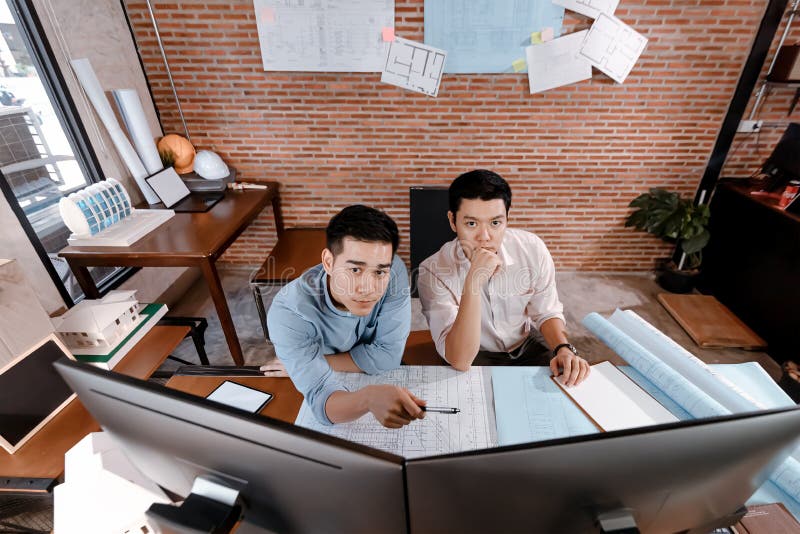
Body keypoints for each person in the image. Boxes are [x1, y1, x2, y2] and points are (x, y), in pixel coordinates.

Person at [417, 169, 590, 386]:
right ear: (453, 221)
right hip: (475, 353)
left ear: (507, 219)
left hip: (526, 343)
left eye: (495, 223)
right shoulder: (431, 271)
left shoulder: (532, 248)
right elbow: (459, 359)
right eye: (471, 224)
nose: (485, 237)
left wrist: (563, 348)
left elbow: (546, 312)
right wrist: (474, 280)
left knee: (570, 383)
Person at [266, 205, 426, 427]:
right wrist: (368, 398)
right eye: (355, 270)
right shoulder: (289, 312)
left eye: (379, 272)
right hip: (343, 387)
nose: (368, 288)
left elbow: (388, 357)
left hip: (371, 374)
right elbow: (322, 401)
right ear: (329, 262)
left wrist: (313, 362)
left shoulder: (394, 270)